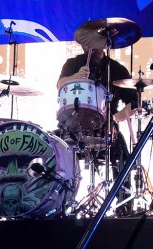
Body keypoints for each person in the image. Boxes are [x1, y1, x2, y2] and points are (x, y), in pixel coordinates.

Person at [56, 44, 142, 175]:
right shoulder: (73, 63)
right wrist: (75, 76)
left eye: (94, 42)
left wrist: (115, 118)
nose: (89, 45)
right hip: (72, 125)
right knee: (51, 149)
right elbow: (59, 85)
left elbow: (135, 103)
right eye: (86, 42)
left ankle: (122, 187)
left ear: (103, 43)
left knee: (123, 161)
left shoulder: (117, 69)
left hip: (106, 128)